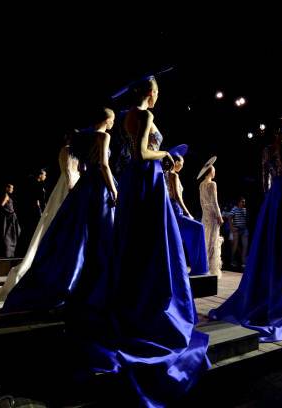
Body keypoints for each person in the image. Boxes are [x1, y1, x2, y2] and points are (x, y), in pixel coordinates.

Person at [83, 77, 209, 407]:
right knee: (155, 250)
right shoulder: (146, 116)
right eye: (158, 92)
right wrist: (166, 153)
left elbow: (130, 155)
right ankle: (155, 309)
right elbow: (141, 154)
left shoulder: (126, 115)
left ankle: (131, 303)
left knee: (134, 249)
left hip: (133, 185)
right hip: (148, 183)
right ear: (151, 93)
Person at [0, 107, 118, 313]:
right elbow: (104, 166)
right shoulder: (102, 136)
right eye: (113, 119)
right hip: (99, 186)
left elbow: (81, 168)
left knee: (80, 232)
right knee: (102, 232)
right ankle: (98, 280)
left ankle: (75, 278)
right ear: (107, 120)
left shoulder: (82, 138)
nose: (114, 123)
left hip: (85, 187)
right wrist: (114, 190)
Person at [209, 118, 282, 342]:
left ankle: (267, 287)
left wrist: (270, 203)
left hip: (274, 198)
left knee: (271, 243)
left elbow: (264, 181)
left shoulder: (266, 150)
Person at [0, 132, 81, 305]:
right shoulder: (66, 150)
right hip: (67, 188)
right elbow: (67, 172)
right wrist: (72, 189)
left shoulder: (78, 151)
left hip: (76, 185)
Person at [166, 145, 209, 275]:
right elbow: (177, 197)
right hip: (176, 211)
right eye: (182, 163)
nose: (183, 165)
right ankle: (198, 268)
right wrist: (187, 212)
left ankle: (194, 267)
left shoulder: (166, 175)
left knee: (190, 233)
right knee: (198, 228)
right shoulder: (173, 175)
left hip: (171, 211)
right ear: (177, 162)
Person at [198, 157, 224, 277]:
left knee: (206, 240)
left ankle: (204, 265)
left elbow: (202, 202)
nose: (214, 172)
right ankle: (209, 268)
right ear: (210, 172)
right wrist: (219, 216)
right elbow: (215, 201)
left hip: (205, 216)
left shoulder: (201, 185)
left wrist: (205, 213)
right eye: (213, 170)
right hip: (212, 216)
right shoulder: (213, 184)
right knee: (212, 241)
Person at [0, 183, 21, 258]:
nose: (12, 190)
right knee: (10, 234)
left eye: (12, 188)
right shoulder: (6, 196)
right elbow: (1, 205)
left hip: (12, 217)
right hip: (10, 217)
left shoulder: (7, 196)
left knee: (14, 234)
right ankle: (8, 254)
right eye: (11, 188)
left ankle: (11, 253)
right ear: (7, 188)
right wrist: (9, 212)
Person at [228, 197, 249, 269]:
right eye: (242, 202)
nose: (243, 203)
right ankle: (232, 260)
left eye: (244, 202)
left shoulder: (245, 209)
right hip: (236, 229)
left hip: (244, 229)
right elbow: (229, 217)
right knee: (235, 245)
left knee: (245, 245)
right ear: (239, 202)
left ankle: (243, 262)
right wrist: (232, 228)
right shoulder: (234, 209)